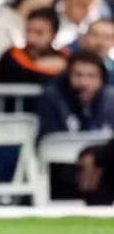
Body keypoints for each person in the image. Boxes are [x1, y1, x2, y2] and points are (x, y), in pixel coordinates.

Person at [38, 51, 114, 200]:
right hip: (62, 167)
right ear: (68, 76)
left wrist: (95, 155)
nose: (84, 82)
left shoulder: (110, 99)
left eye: (91, 76)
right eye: (78, 75)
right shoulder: (52, 97)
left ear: (102, 79)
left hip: (101, 165)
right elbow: (48, 138)